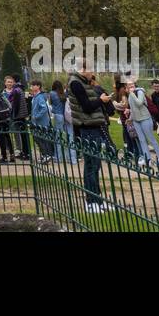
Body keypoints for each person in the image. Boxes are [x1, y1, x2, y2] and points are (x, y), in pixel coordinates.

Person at [68, 65, 112, 212]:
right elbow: (86, 106)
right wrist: (101, 100)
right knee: (91, 166)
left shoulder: (82, 82)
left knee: (95, 165)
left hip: (93, 127)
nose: (92, 73)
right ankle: (91, 201)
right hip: (88, 128)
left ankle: (97, 199)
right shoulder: (76, 83)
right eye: (90, 70)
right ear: (83, 69)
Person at [125, 78, 159, 167]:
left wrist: (131, 93)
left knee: (151, 139)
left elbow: (139, 103)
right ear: (126, 87)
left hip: (145, 118)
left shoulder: (139, 92)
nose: (131, 86)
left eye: (132, 84)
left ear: (135, 84)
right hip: (136, 120)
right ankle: (147, 159)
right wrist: (130, 118)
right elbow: (133, 108)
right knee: (142, 140)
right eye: (129, 85)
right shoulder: (130, 95)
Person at [29, 80, 53, 162]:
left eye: (33, 85)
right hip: (36, 122)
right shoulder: (35, 96)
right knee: (38, 138)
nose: (32, 87)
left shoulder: (40, 97)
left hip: (41, 122)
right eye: (31, 85)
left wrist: (36, 116)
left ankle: (47, 155)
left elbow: (44, 108)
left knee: (41, 139)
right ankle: (44, 155)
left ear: (38, 86)